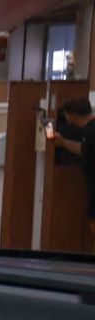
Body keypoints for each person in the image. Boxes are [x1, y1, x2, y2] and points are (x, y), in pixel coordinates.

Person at [54, 99, 95, 250]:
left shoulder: (91, 131)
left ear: (73, 115)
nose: (66, 119)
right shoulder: (89, 131)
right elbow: (84, 150)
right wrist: (63, 142)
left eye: (67, 115)